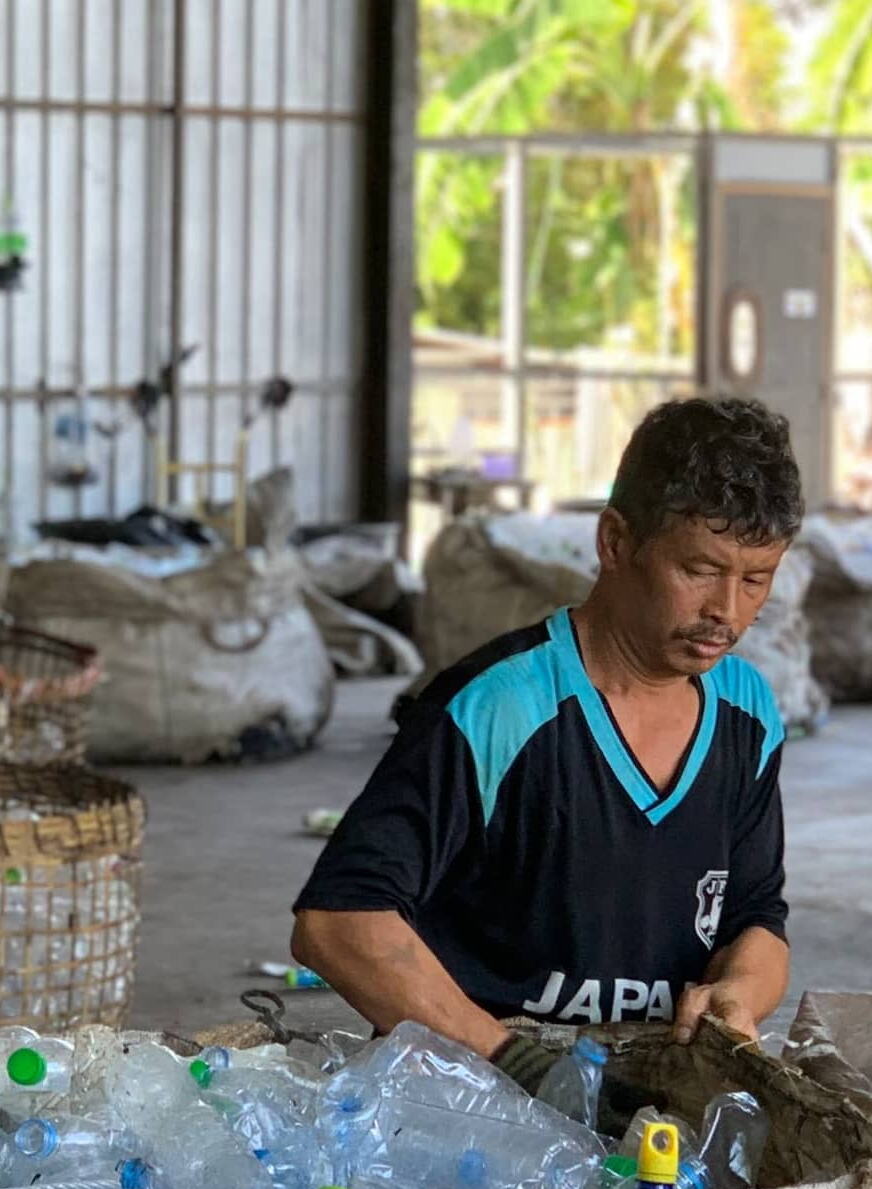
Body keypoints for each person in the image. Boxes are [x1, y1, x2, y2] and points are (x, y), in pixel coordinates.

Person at [291, 395, 801, 1093]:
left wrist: (740, 992)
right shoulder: (499, 706)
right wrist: (511, 1062)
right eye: (700, 570)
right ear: (616, 542)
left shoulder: (748, 713)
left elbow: (756, 917)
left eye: (756, 579)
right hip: (470, 1103)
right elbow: (340, 923)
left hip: (648, 1093)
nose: (727, 611)